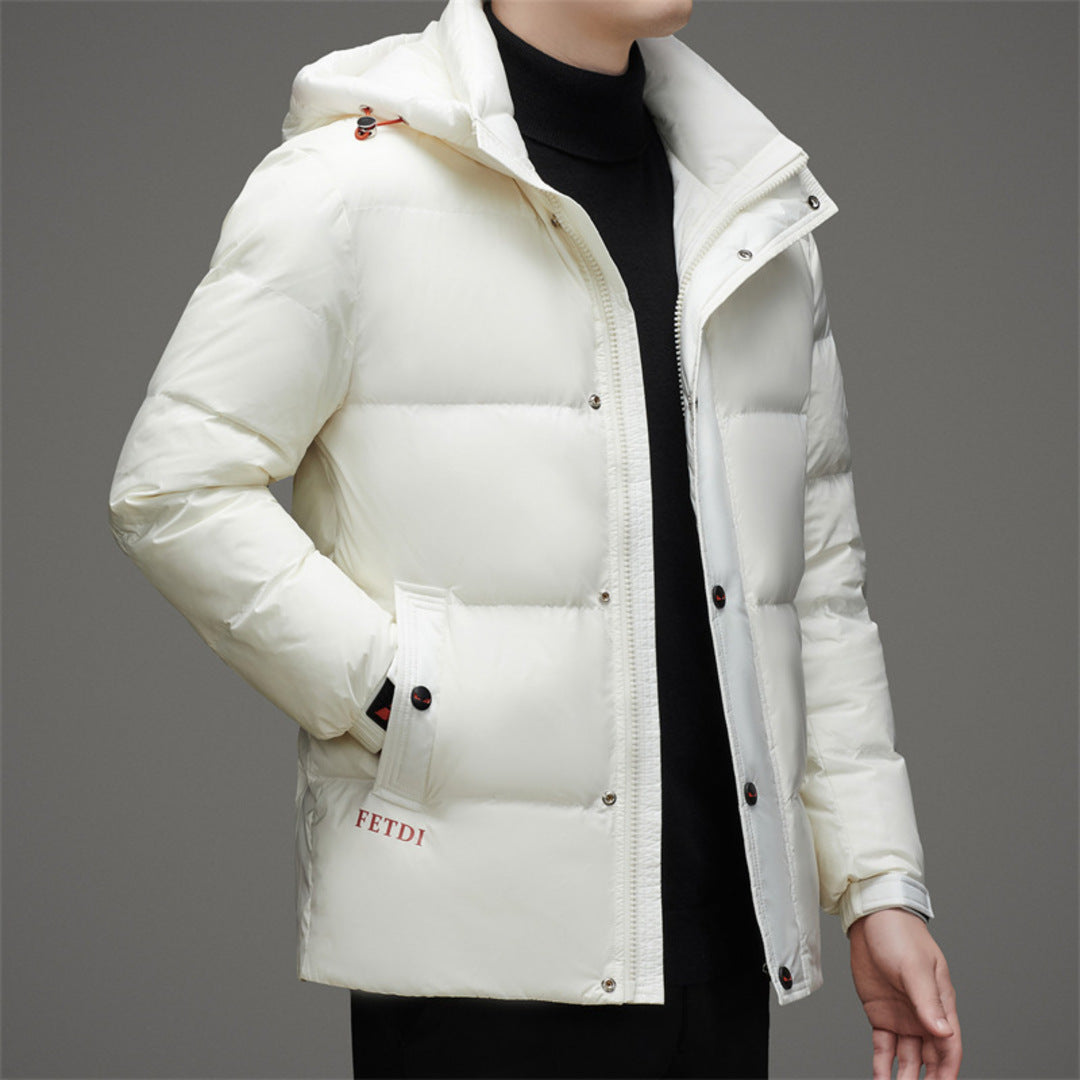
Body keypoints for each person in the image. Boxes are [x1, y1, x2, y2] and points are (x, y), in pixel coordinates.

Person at [106, 0, 962, 1076]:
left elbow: (816, 589)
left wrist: (879, 883)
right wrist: (399, 698)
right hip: (475, 960)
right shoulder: (350, 186)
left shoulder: (751, 210)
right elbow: (174, 487)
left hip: (724, 953)